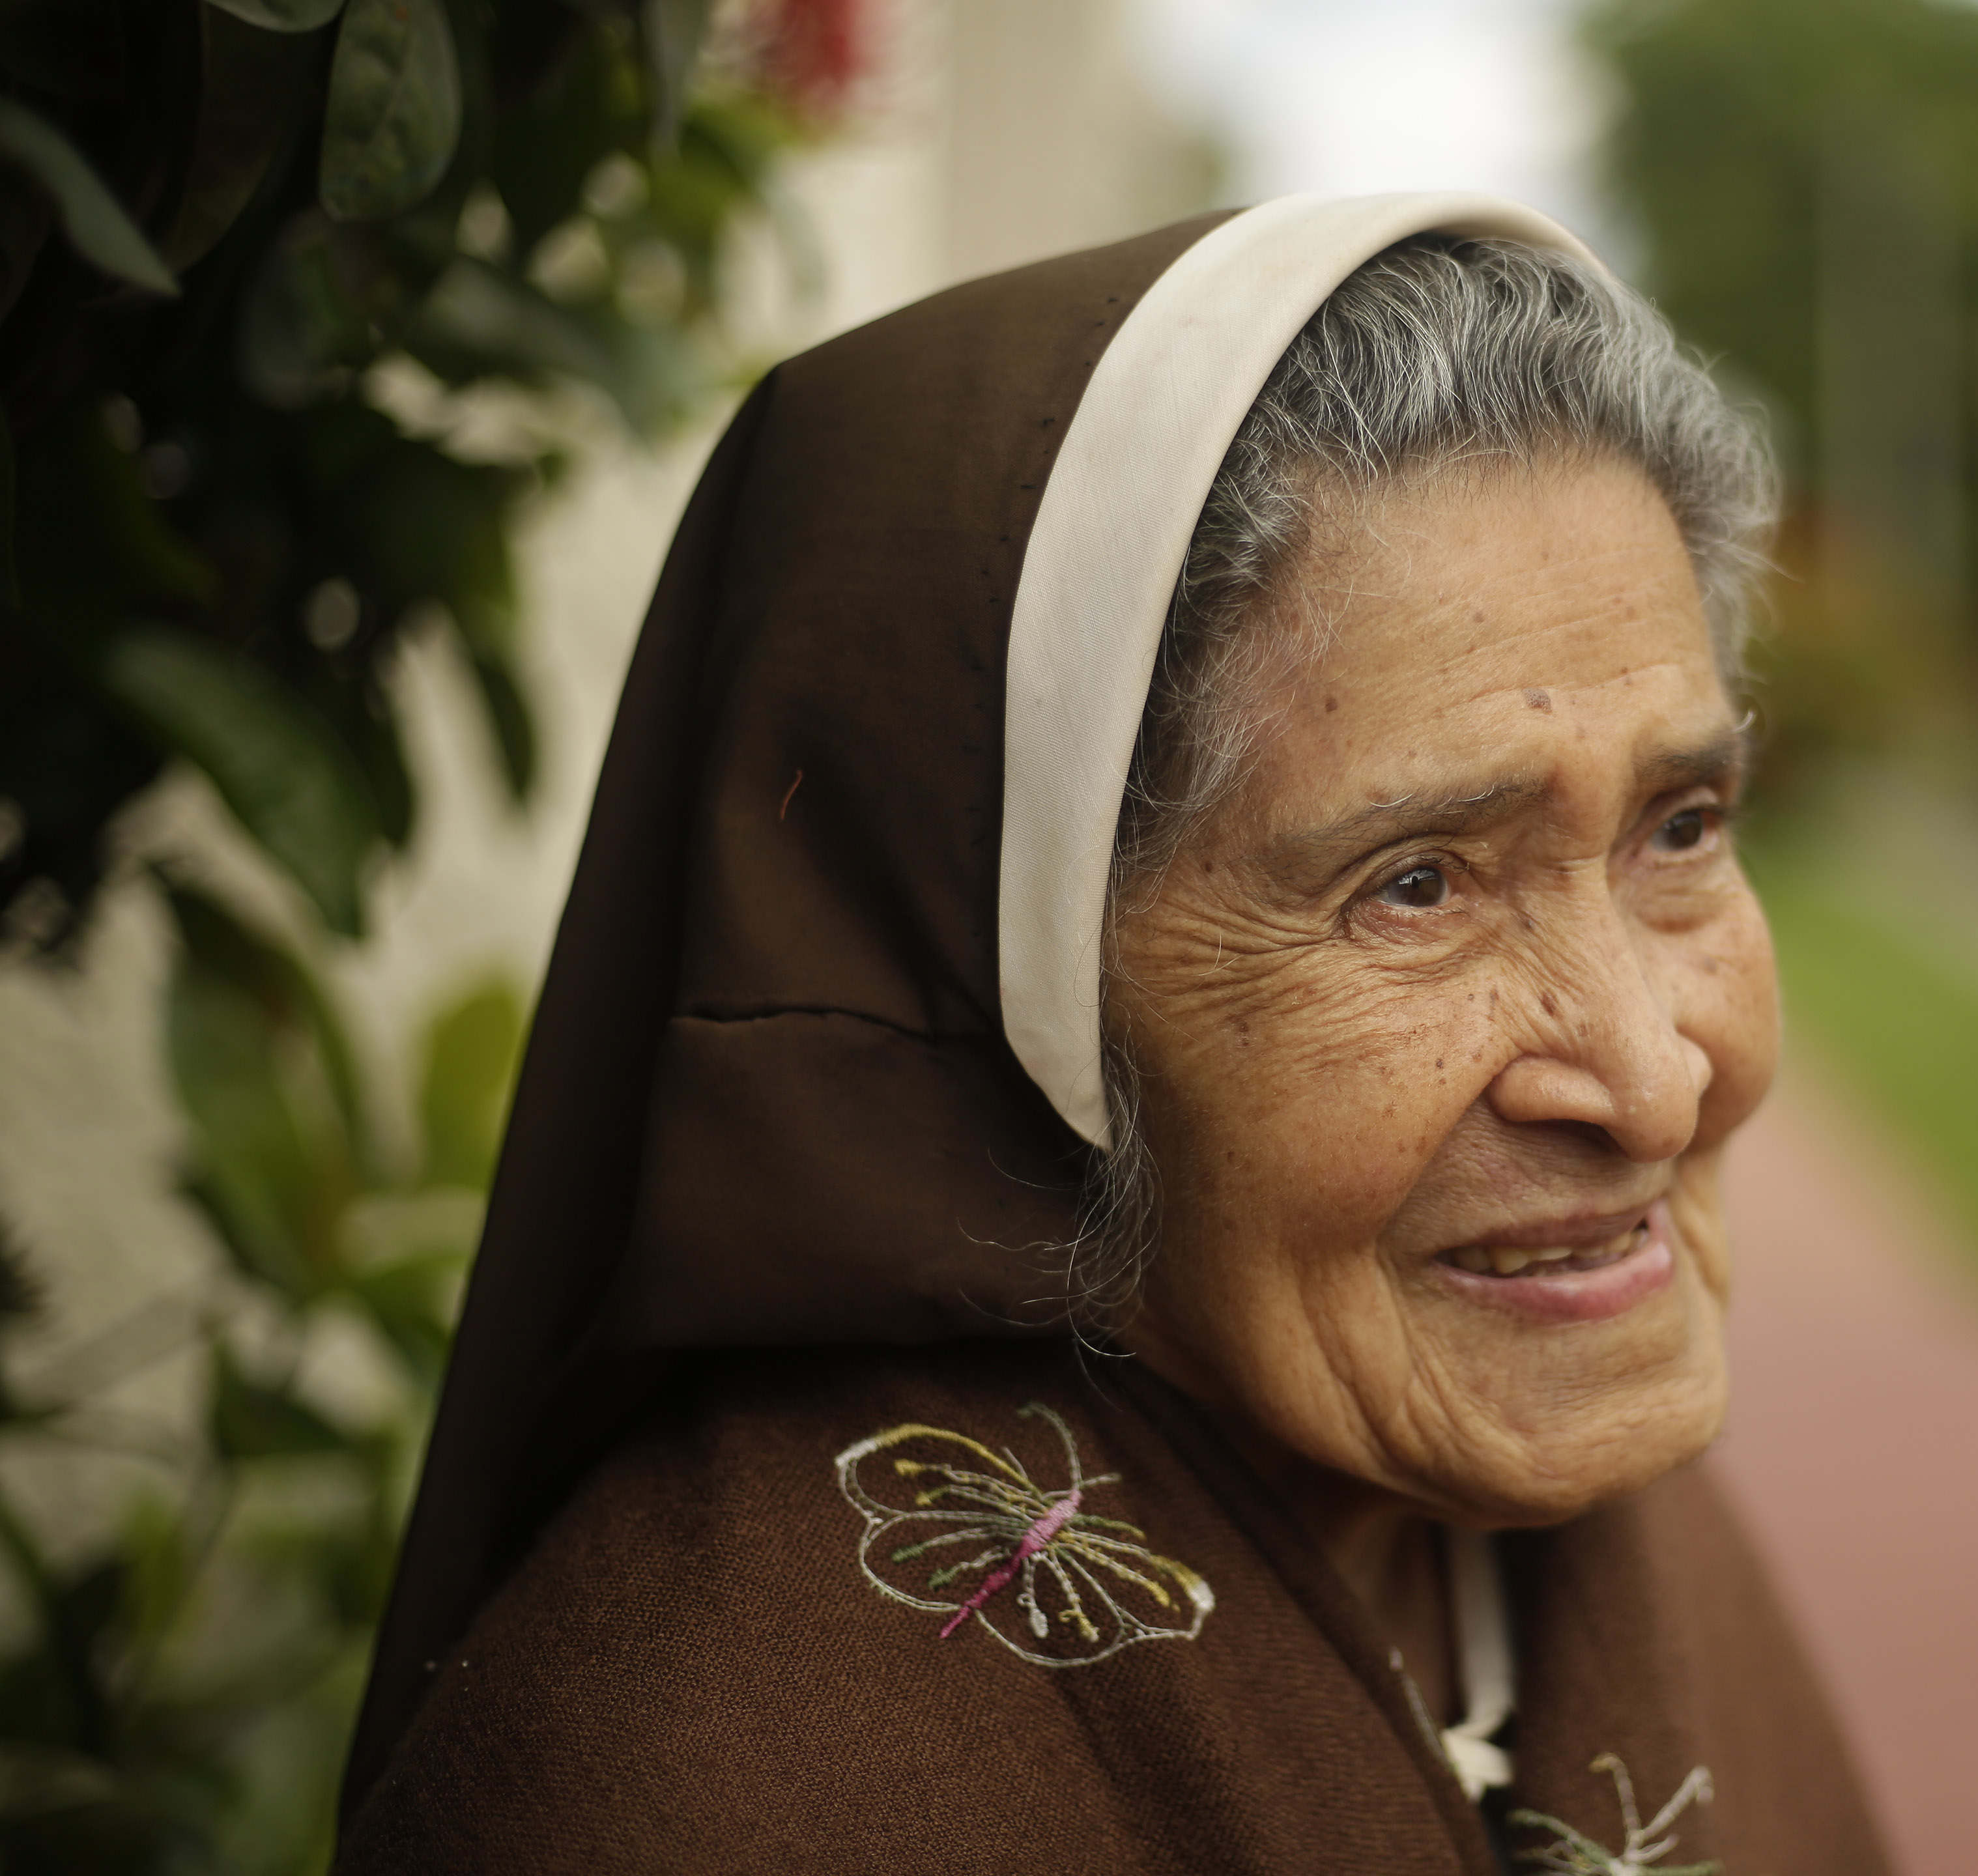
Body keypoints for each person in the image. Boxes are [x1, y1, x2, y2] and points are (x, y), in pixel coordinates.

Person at [336, 194, 1889, 1874]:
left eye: (1681, 828)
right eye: (1417, 885)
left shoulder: (1619, 1551)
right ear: (1004, 972)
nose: (1656, 1079)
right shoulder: (701, 1793)